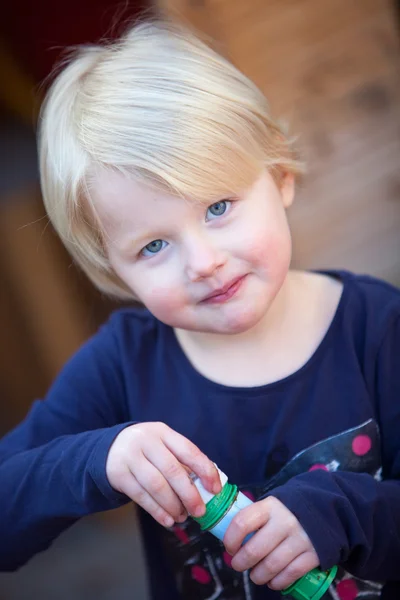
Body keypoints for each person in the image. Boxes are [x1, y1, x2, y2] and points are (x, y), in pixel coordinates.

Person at [1, 18, 399, 600]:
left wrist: (343, 515)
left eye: (217, 206)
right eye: (153, 246)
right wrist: (97, 459)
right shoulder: (122, 366)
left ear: (280, 176)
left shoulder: (377, 328)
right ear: (116, 271)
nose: (203, 261)